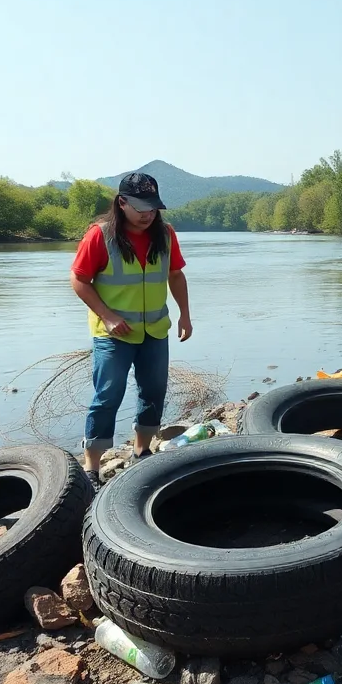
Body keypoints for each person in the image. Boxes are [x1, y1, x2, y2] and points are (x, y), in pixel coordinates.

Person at [70, 172, 193, 485]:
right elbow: (79, 280)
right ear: (122, 203)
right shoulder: (100, 236)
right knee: (108, 395)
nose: (148, 214)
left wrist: (185, 315)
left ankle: (141, 452)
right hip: (113, 335)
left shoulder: (165, 234)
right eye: (140, 207)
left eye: (152, 207)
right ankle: (92, 468)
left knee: (153, 392)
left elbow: (175, 275)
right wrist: (108, 316)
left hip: (154, 331)